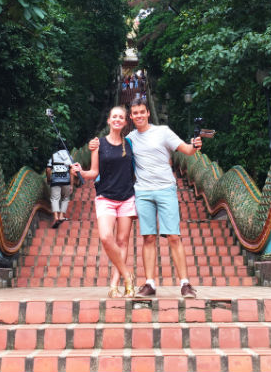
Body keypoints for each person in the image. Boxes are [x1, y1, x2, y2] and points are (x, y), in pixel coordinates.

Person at [90, 97, 202, 299]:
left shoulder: (163, 132)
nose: (139, 115)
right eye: (135, 113)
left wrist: (194, 145)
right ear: (131, 117)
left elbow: (186, 150)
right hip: (142, 192)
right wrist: (95, 145)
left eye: (142, 112)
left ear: (148, 112)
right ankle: (150, 283)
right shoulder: (130, 139)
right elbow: (112, 148)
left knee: (174, 236)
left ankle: (185, 283)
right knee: (148, 237)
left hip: (166, 188)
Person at [77, 106, 137, 297]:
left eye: (121, 117)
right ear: (109, 121)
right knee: (105, 237)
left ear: (125, 122)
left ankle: (115, 285)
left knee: (123, 241)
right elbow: (94, 172)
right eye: (114, 117)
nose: (118, 119)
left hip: (127, 196)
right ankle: (128, 275)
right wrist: (80, 172)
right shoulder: (98, 144)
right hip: (105, 197)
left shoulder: (129, 144)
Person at [46, 142, 78, 228]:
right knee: (65, 198)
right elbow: (72, 172)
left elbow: (48, 169)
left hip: (55, 181)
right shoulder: (69, 157)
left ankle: (56, 217)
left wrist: (49, 179)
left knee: (55, 199)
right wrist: (71, 185)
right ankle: (61, 216)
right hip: (66, 181)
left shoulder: (53, 156)